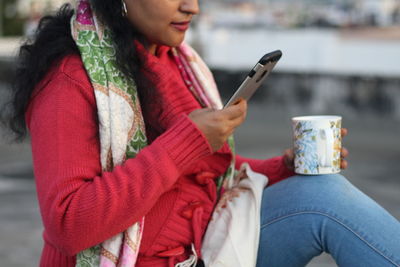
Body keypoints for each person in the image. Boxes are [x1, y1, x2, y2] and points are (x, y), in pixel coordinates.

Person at [3, 0, 400, 266]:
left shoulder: (177, 61)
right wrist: (187, 141)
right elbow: (68, 223)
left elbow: (202, 172)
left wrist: (282, 167)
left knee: (322, 193)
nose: (191, 5)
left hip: (206, 241)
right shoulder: (70, 78)